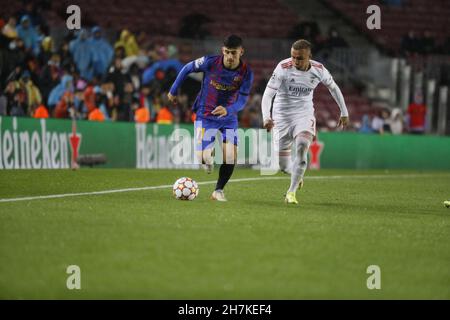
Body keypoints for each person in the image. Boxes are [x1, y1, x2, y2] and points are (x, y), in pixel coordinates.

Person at [261, 39, 349, 204]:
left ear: (309, 56)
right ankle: (297, 175)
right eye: (293, 57)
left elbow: (334, 88)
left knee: (302, 146)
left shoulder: (319, 70)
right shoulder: (282, 68)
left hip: (304, 114)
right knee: (283, 166)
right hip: (281, 117)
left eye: (300, 58)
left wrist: (344, 112)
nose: (295, 61)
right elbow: (267, 95)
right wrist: (267, 117)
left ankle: (291, 192)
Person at [168, 35, 253, 202]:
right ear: (222, 50)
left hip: (228, 117)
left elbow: (243, 99)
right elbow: (187, 68)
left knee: (230, 156)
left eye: (233, 53)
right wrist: (173, 90)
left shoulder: (246, 72)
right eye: (227, 52)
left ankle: (218, 191)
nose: (229, 56)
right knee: (204, 158)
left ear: (241, 52)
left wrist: (229, 110)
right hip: (205, 115)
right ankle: (208, 154)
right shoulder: (209, 62)